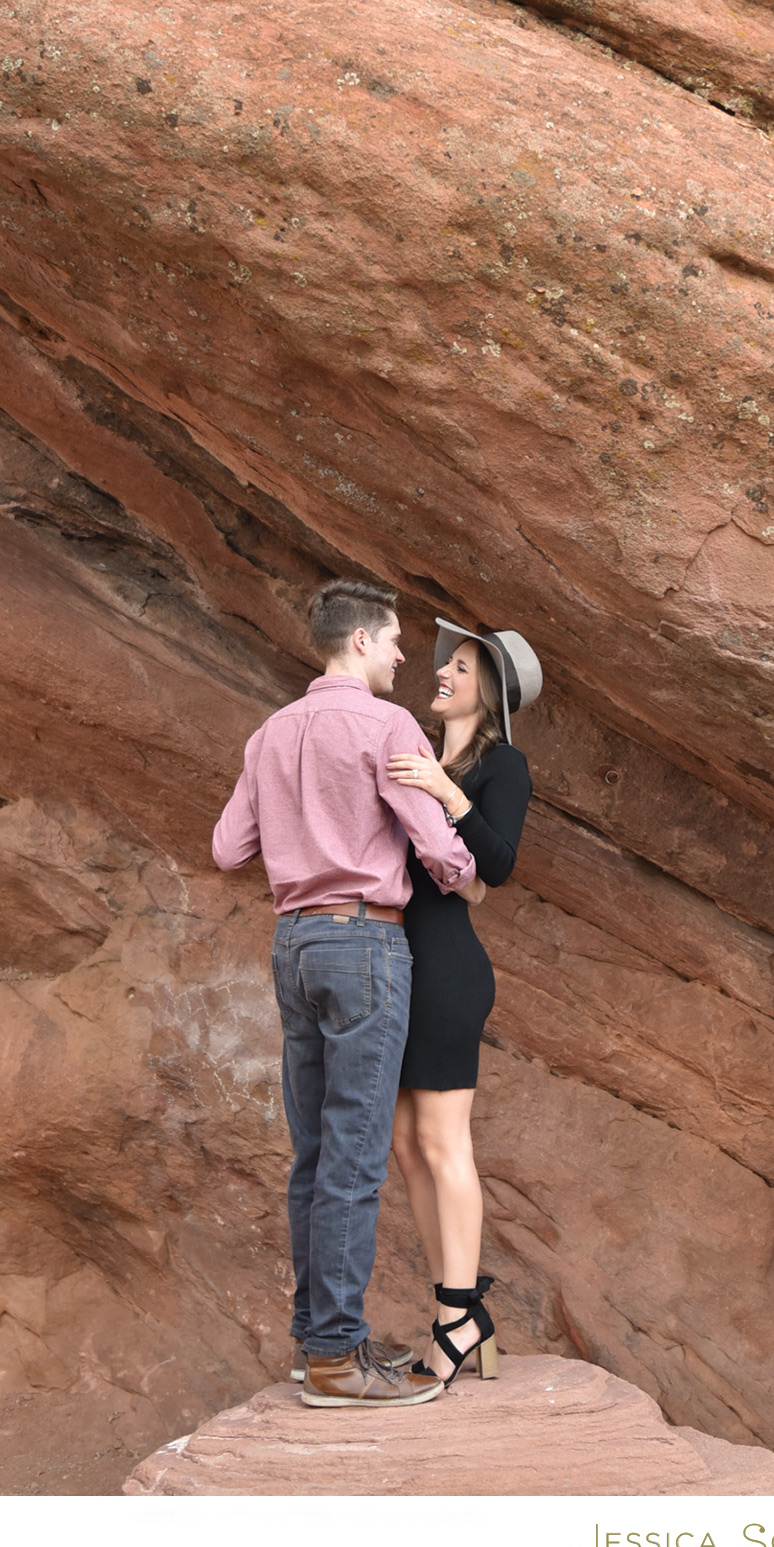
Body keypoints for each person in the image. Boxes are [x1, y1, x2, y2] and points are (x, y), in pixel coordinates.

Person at [212, 580, 483, 1408]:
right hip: (365, 941)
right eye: (397, 640)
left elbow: (228, 849)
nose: (405, 657)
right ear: (360, 641)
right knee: (357, 1154)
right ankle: (336, 1358)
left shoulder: (270, 734)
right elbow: (439, 847)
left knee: (315, 1154)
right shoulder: (386, 725)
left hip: (293, 942)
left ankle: (310, 1347)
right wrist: (465, 873)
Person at [386, 618, 541, 1385]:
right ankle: (455, 1306)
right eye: (447, 661)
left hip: (446, 969)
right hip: (394, 965)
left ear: (490, 692)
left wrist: (447, 790)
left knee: (444, 1143)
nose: (443, 670)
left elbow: (499, 867)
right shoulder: (411, 748)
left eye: (462, 666)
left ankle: (459, 1317)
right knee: (405, 1146)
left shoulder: (500, 765)